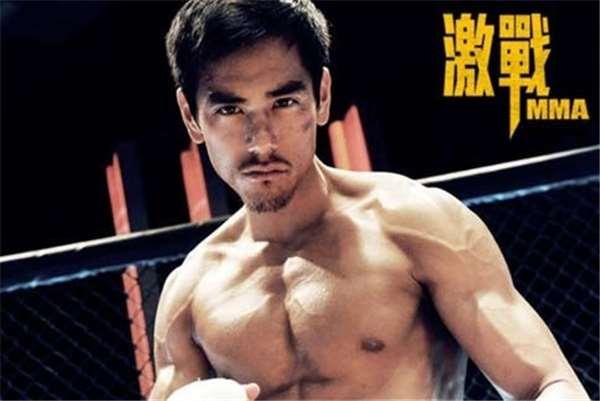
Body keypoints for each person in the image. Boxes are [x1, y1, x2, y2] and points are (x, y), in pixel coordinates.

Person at [149, 1, 590, 399]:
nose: (261, 140)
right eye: (230, 110)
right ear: (191, 117)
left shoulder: (415, 225)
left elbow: (546, 383)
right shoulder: (189, 294)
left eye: (284, 102)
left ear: (321, 97)